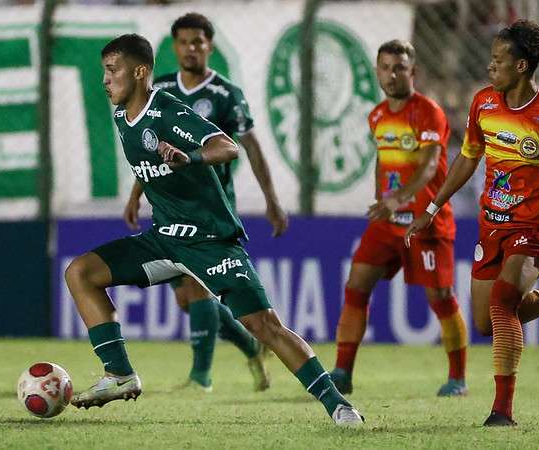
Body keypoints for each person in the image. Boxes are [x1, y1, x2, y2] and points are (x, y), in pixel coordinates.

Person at [64, 33, 363, 426]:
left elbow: (227, 146)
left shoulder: (167, 110)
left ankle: (337, 404)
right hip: (165, 239)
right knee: (80, 272)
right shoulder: (122, 115)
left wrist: (187, 156)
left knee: (265, 326)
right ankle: (119, 373)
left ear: (139, 72)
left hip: (209, 240)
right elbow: (150, 162)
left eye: (112, 71)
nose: (105, 80)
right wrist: (138, 193)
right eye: (104, 71)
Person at [406, 19, 539, 426]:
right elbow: (467, 158)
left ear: (520, 66)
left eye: (498, 60)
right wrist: (430, 209)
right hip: (492, 227)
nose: (489, 67)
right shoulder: (483, 103)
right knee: (486, 322)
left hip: (535, 230)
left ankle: (502, 411)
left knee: (502, 302)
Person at [123, 12, 287, 392]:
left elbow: (251, 147)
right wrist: (135, 196)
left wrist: (272, 201)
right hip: (167, 206)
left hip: (209, 209)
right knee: (188, 300)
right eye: (183, 42)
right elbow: (145, 149)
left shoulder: (225, 94)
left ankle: (201, 377)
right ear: (175, 46)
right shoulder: (159, 89)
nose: (191, 48)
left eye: (198, 42)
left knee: (198, 289)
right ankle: (250, 346)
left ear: (209, 46)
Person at [330, 39, 468, 398]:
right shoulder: (376, 115)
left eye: (399, 68)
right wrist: (382, 199)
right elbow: (381, 159)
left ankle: (458, 378)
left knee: (440, 295)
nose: (392, 75)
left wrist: (398, 198)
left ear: (413, 72)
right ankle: (342, 373)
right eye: (386, 67)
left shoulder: (428, 112)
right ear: (377, 71)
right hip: (388, 219)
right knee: (356, 283)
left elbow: (428, 166)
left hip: (425, 220)